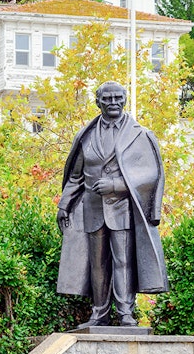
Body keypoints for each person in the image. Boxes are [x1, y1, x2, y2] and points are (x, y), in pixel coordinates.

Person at [56, 81, 169, 327]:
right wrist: (64, 205)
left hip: (122, 209)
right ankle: (99, 314)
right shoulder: (86, 135)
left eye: (118, 97)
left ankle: (125, 313)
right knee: (97, 265)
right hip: (93, 209)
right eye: (107, 99)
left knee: (123, 262)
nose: (113, 102)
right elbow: (76, 176)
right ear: (98, 102)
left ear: (125, 99)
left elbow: (151, 174)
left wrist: (117, 185)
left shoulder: (139, 134)